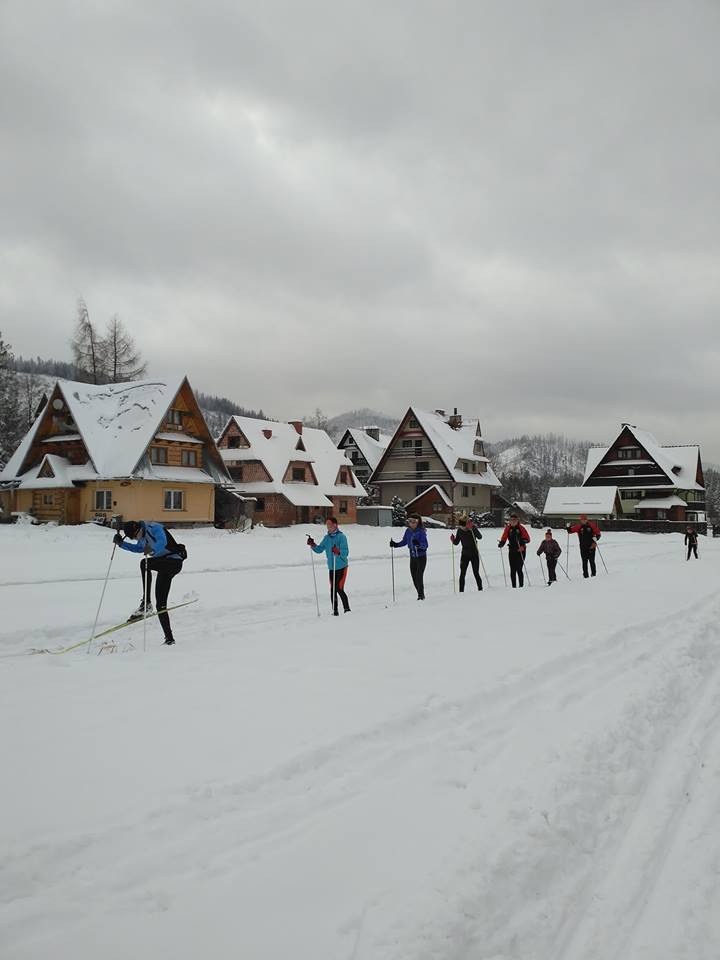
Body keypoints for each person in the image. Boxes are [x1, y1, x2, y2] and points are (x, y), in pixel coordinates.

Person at [114, 520, 186, 645]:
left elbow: (162, 542)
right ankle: (169, 639)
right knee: (160, 605)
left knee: (144, 563)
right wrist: (121, 544)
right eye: (134, 538)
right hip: (163, 565)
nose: (137, 538)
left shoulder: (154, 528)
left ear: (137, 528)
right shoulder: (141, 537)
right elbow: (138, 548)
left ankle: (146, 602)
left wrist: (151, 551)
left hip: (174, 561)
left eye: (136, 536)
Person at [307, 516, 350, 615]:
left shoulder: (342, 537)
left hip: (342, 567)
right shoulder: (326, 538)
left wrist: (338, 551)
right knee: (332, 589)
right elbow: (319, 549)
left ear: (335, 525)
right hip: (332, 568)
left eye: (329, 524)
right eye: (327, 525)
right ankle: (335, 611)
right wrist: (312, 544)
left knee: (339, 588)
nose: (328, 526)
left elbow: (346, 552)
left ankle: (347, 609)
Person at [390, 513, 429, 600]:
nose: (412, 523)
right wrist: (395, 544)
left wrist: (418, 545)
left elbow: (425, 545)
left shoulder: (421, 532)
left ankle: (421, 595)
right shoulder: (408, 531)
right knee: (414, 577)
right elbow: (404, 542)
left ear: (418, 522)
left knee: (419, 576)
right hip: (413, 557)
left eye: (414, 521)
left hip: (421, 557)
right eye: (410, 521)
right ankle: (419, 593)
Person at [450, 516, 483, 592]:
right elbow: (456, 542)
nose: (462, 525)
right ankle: (461, 591)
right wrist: (453, 540)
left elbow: (480, 537)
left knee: (476, 573)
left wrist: (473, 528)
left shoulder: (472, 528)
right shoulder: (459, 530)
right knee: (462, 573)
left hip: (474, 553)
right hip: (465, 554)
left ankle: (480, 589)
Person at [498, 514, 531, 588]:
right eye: (511, 520)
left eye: (514, 520)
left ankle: (521, 586)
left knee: (519, 568)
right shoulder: (508, 528)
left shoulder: (521, 528)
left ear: (517, 520)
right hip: (512, 550)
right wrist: (502, 543)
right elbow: (504, 537)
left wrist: (522, 543)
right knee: (512, 569)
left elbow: (528, 539)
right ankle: (514, 587)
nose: (513, 521)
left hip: (520, 550)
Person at [567, 514, 601, 578]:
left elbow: (598, 533)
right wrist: (568, 527)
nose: (583, 521)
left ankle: (593, 574)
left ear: (587, 519)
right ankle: (585, 575)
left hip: (591, 546)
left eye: (584, 519)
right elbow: (570, 531)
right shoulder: (579, 526)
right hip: (583, 547)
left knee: (592, 561)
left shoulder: (592, 525)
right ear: (580, 520)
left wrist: (596, 538)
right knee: (584, 562)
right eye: (582, 520)